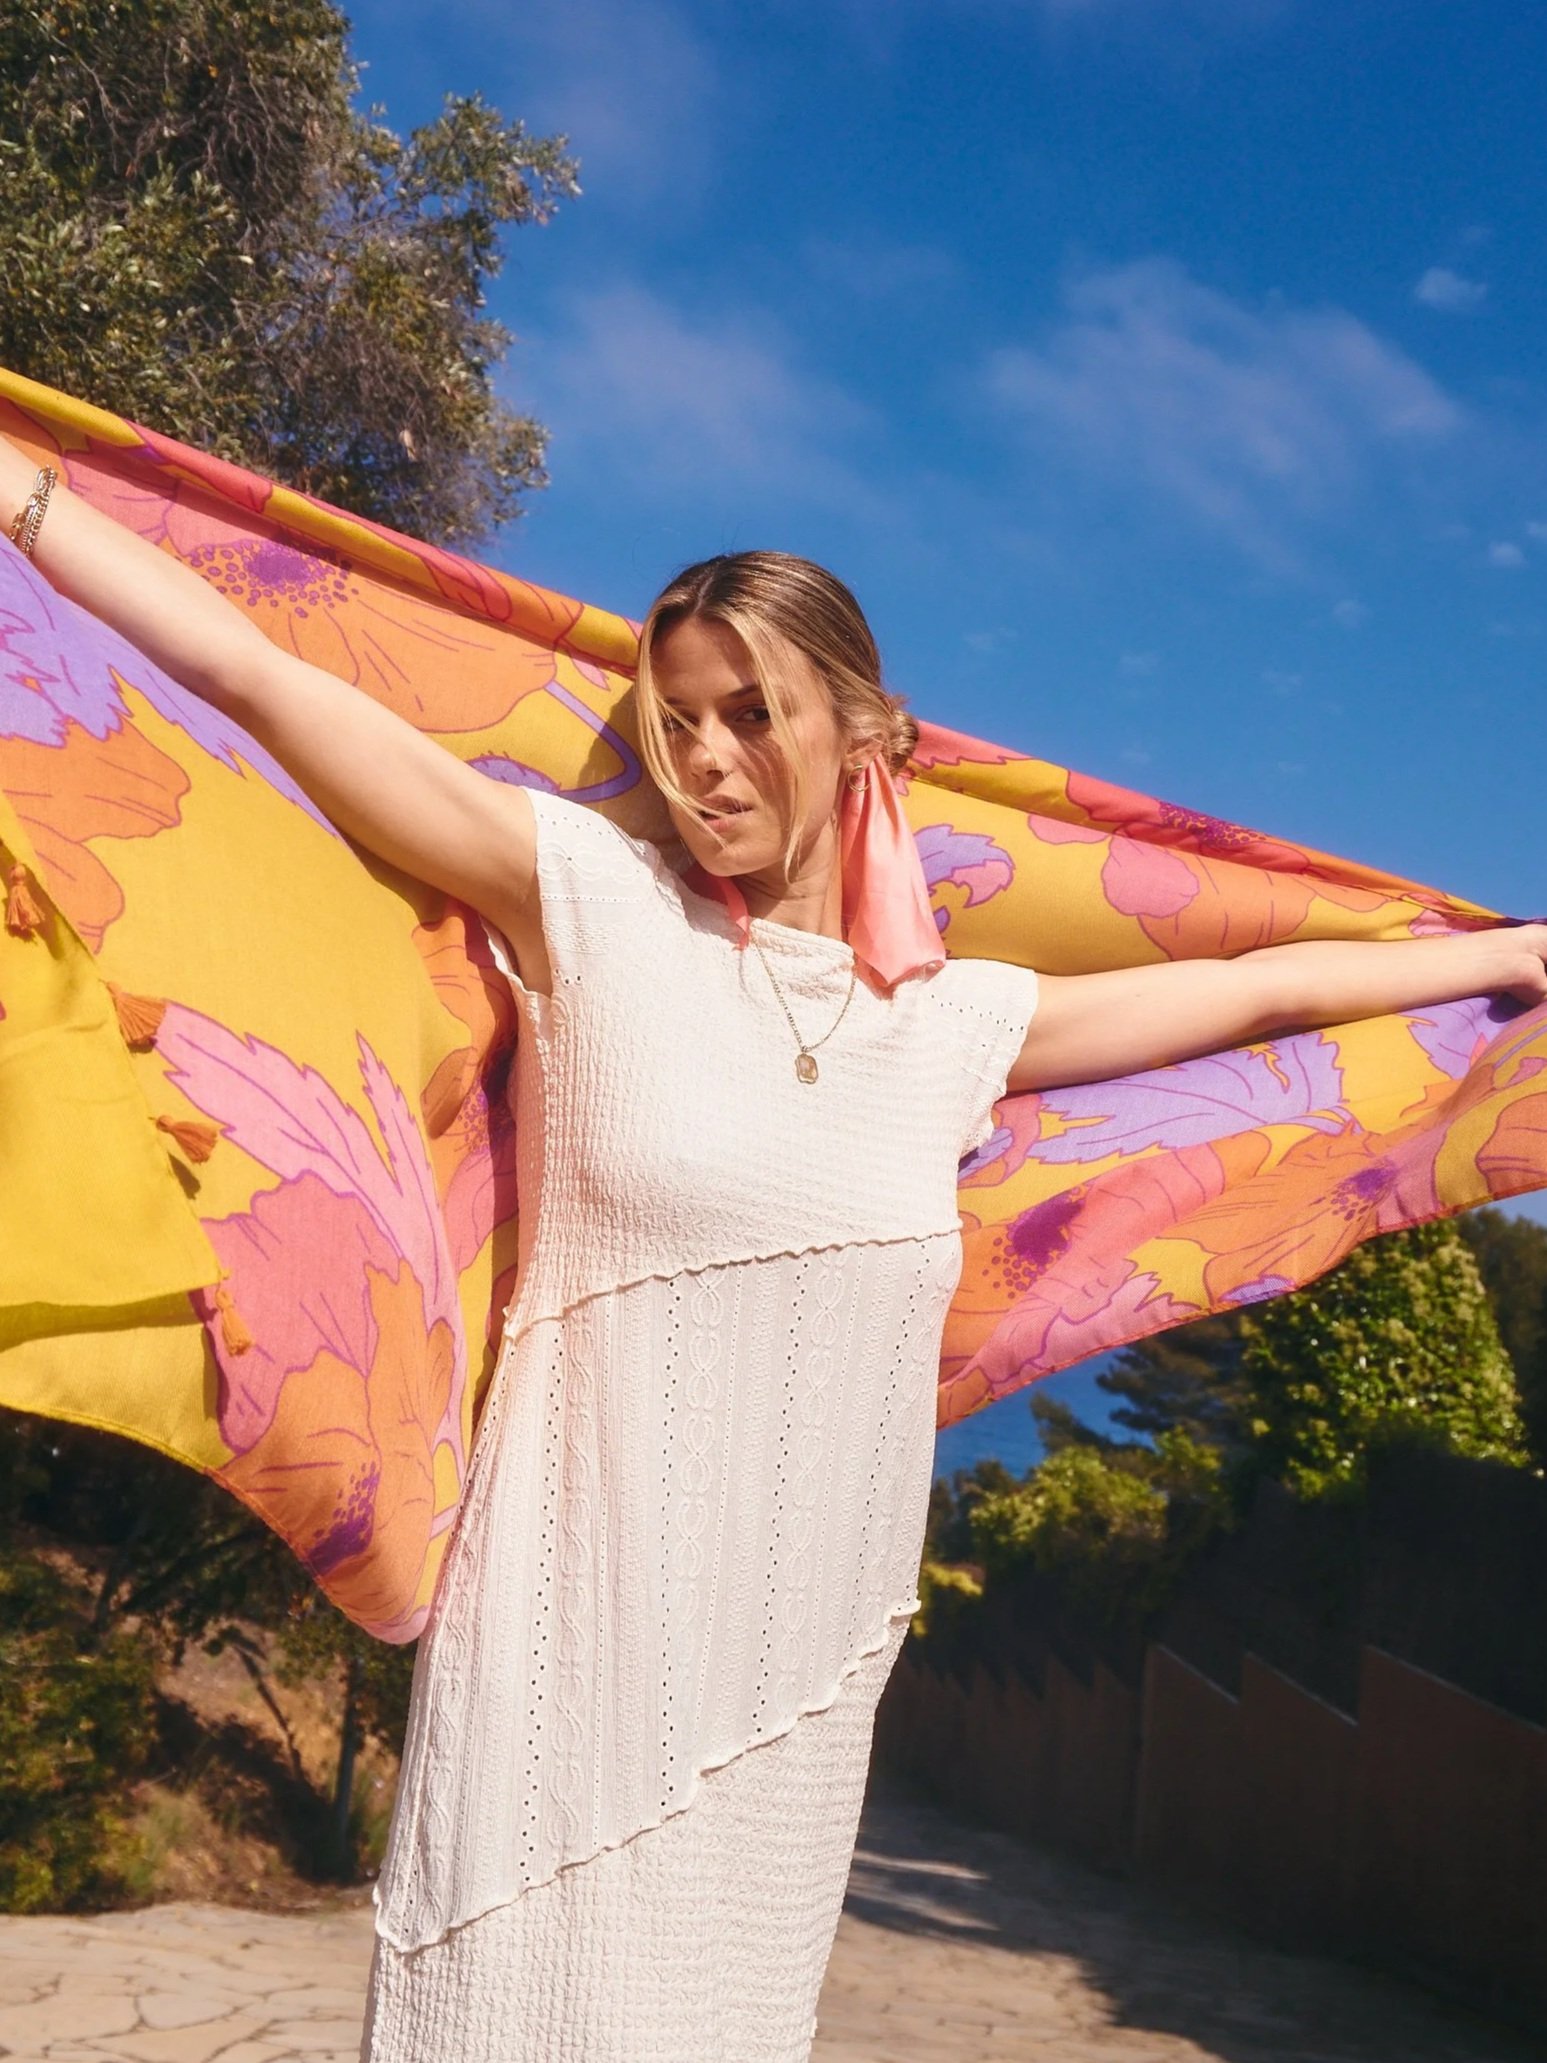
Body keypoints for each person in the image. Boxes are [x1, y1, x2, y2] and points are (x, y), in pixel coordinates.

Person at [4, 443, 1545, 2062]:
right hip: (566, 1647)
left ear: (861, 731)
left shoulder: (954, 1030)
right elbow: (252, 672)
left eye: (752, 714)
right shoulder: (584, 903)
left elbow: (1266, 992)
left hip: (783, 1697)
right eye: (676, 721)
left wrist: (1502, 954)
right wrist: (25, 496)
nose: (706, 761)